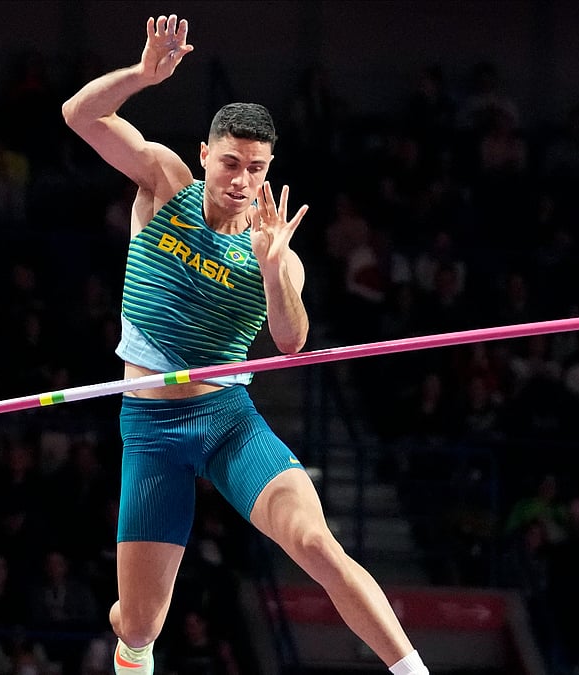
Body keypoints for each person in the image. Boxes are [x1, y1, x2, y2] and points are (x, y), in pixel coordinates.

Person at [62, 13, 428, 675]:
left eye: (255, 168)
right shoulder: (165, 183)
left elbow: (291, 343)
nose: (240, 179)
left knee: (317, 545)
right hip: (152, 430)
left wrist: (271, 267)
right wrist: (141, 75)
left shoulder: (277, 252)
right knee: (140, 627)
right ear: (205, 155)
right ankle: (126, 625)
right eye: (230, 162)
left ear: (268, 171)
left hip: (228, 421)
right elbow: (79, 115)